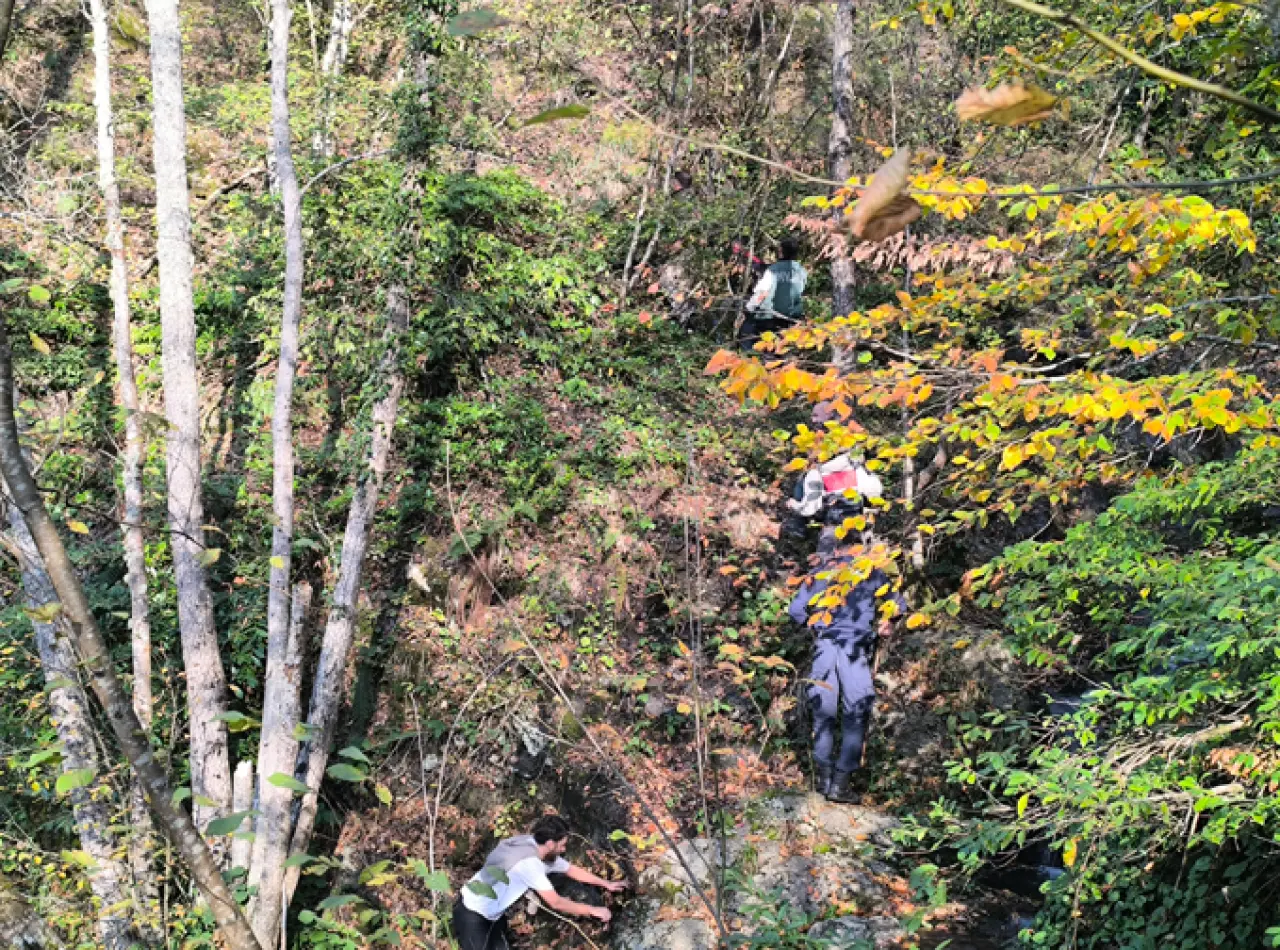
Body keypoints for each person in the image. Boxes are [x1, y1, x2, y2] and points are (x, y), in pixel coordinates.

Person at [789, 543, 906, 804]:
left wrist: (818, 628)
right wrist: (887, 623)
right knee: (856, 712)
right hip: (855, 650)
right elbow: (898, 604)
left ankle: (824, 780)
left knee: (824, 714)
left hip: (825, 649)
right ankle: (840, 784)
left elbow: (796, 610)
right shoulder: (870, 573)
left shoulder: (821, 573)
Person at [453, 814, 626, 950]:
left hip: (494, 913)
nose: (565, 849)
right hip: (472, 913)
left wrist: (606, 884)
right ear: (551, 844)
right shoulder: (529, 864)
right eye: (563, 845)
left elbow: (570, 869)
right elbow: (556, 902)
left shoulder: (532, 843)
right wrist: (592, 910)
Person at [740, 236, 807, 350]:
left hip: (768, 317)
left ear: (781, 252)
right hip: (791, 317)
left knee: (747, 335)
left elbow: (762, 292)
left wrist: (748, 308)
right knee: (782, 348)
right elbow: (800, 291)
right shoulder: (801, 270)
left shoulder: (773, 270)